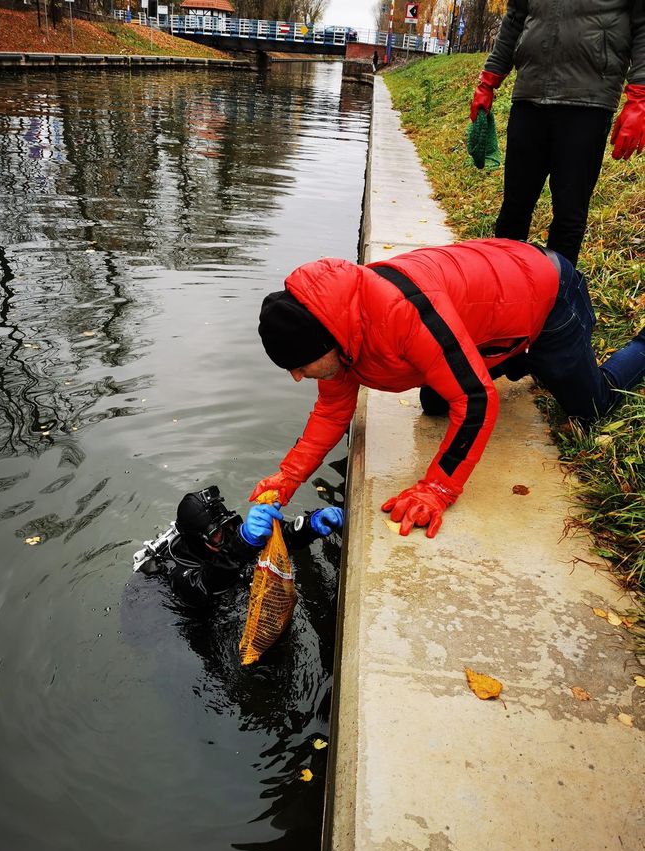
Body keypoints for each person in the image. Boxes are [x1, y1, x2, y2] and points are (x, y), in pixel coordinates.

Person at [250, 238, 645, 538]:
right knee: (435, 402)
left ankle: (636, 347)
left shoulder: (400, 313)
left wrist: (436, 488)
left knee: (592, 407)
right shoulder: (334, 327)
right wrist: (287, 478)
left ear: (327, 343)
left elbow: (475, 401)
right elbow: (333, 412)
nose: (298, 377)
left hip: (546, 291)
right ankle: (517, 357)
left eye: (300, 366)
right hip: (493, 300)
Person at [469, 1, 645, 266]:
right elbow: (516, 17)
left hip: (588, 101)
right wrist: (488, 80)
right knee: (513, 210)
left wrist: (639, 97)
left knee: (568, 215)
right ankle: (501, 294)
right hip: (530, 94)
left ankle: (556, 299)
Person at [133, 484, 343, 602]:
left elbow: (277, 542)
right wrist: (242, 544)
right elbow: (204, 584)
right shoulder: (176, 571)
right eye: (217, 534)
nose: (229, 536)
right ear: (198, 541)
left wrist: (308, 526)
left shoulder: (229, 541)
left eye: (231, 526)